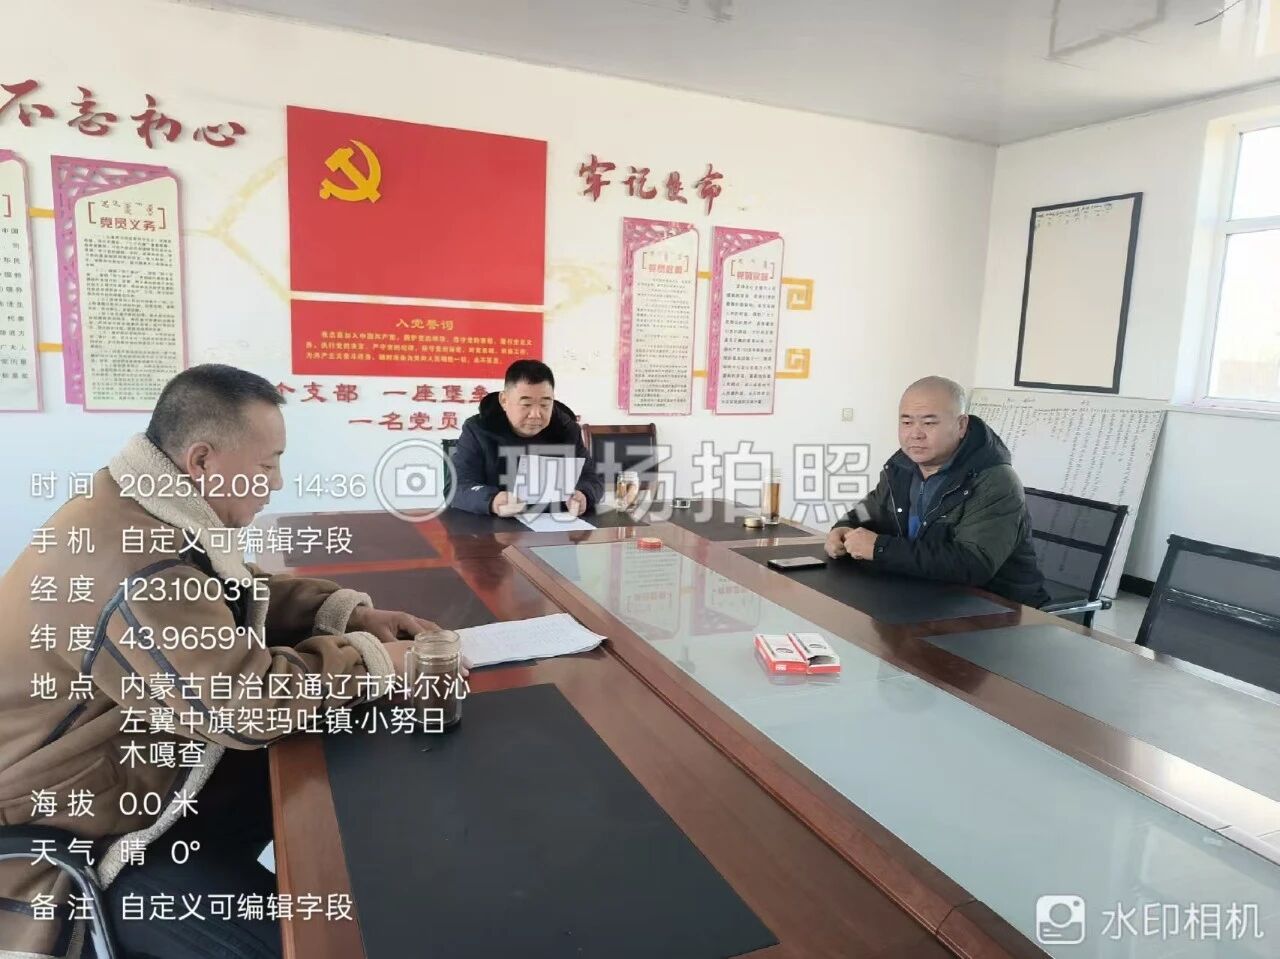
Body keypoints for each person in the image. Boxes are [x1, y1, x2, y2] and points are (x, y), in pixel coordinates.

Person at [0, 364, 450, 959]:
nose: (277, 482)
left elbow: (223, 594)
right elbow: (249, 705)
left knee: (336, 785)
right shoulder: (138, 566)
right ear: (202, 461)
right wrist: (372, 661)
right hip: (83, 836)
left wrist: (346, 615)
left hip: (134, 773)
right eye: (267, 466)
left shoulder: (137, 505)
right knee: (309, 943)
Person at [825, 375, 1050, 608]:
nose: (915, 434)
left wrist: (881, 549)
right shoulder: (901, 467)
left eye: (929, 423)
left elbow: (973, 564)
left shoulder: (994, 481)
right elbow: (867, 511)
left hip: (996, 608)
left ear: (961, 425)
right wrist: (843, 527)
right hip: (923, 594)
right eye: (906, 422)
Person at [450, 359, 603, 517]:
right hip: (494, 526)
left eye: (544, 405)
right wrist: (492, 501)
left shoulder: (566, 429)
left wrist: (584, 495)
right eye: (526, 404)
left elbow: (592, 479)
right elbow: (457, 486)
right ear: (504, 400)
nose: (536, 414)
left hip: (555, 524)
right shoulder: (478, 430)